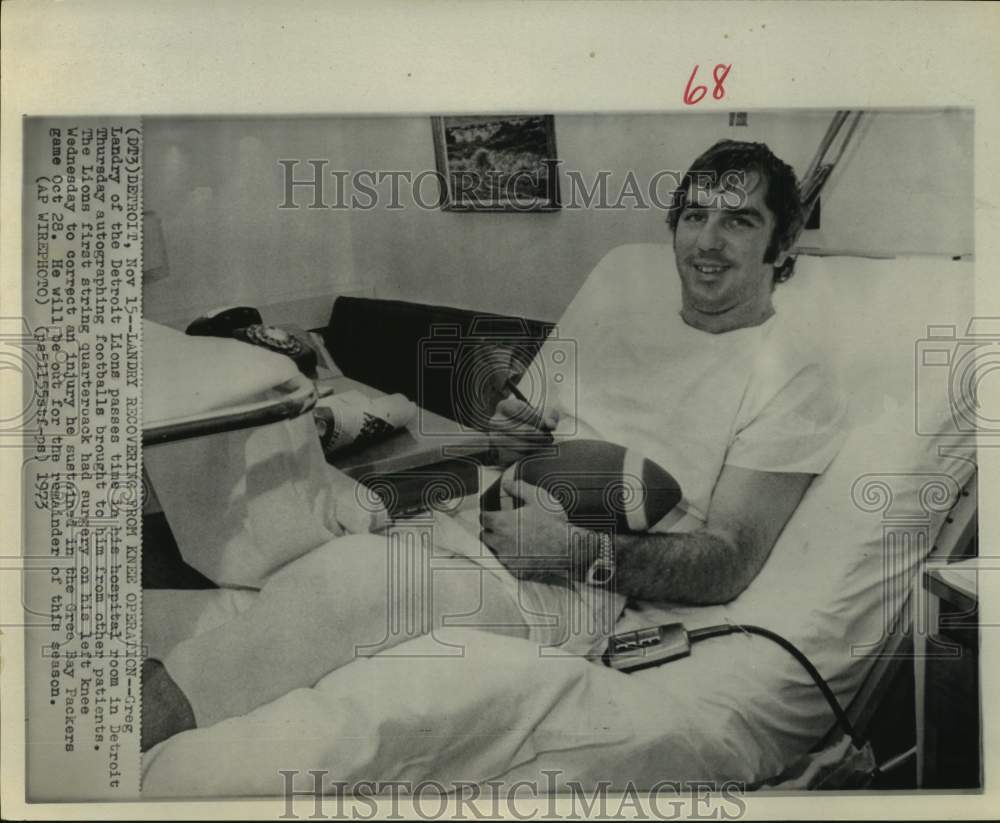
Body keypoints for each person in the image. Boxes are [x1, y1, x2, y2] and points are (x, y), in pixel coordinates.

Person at [141, 139, 846, 751]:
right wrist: (508, 435)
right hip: (479, 517)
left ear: (782, 246)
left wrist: (581, 553)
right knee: (280, 525)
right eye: (695, 216)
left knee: (353, 582)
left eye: (739, 220)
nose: (708, 240)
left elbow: (729, 560)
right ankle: (152, 662)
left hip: (571, 584)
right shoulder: (622, 323)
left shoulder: (791, 377)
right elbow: (513, 443)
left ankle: (140, 724)